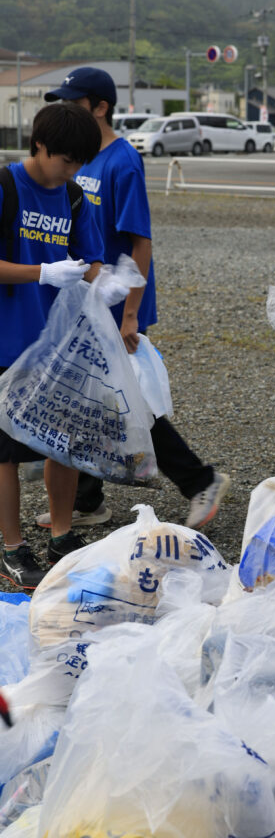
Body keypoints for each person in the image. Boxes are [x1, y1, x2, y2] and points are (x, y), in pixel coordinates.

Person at [37, 67, 230, 532]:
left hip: (118, 304)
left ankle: (201, 481)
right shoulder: (81, 157)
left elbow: (140, 242)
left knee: (130, 404)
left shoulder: (122, 161)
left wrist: (131, 315)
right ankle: (87, 500)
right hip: (86, 302)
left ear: (100, 106)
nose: (64, 108)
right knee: (85, 400)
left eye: (73, 101)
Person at [0, 102, 105, 588]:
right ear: (38, 145)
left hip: (59, 343)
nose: (70, 170)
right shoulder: (5, 187)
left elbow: (91, 260)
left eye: (79, 163)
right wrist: (41, 271)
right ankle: (13, 547)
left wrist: (88, 277)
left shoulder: (74, 196)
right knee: (5, 454)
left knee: (61, 444)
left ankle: (61, 535)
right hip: (7, 342)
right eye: (65, 160)